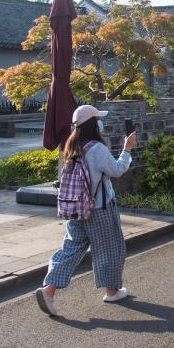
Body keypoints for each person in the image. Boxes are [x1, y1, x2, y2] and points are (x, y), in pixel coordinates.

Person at [35, 104, 137, 317]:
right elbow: (117, 170)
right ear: (93, 124)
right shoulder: (97, 149)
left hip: (76, 209)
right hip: (99, 209)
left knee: (70, 250)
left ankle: (48, 290)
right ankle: (112, 291)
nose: (101, 122)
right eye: (98, 119)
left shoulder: (71, 146)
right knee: (110, 250)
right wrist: (127, 149)